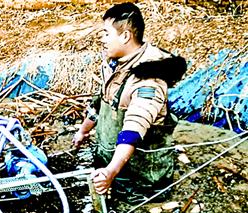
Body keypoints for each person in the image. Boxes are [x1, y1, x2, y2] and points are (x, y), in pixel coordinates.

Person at [73, 2, 187, 202]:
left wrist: (111, 171)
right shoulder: (115, 63)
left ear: (125, 36)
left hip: (141, 180)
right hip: (113, 163)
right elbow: (101, 102)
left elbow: (133, 129)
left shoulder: (149, 79)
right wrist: (83, 131)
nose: (102, 39)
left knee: (130, 206)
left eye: (106, 34)